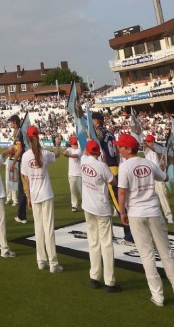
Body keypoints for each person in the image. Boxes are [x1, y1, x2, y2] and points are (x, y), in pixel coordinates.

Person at [117, 133, 174, 307]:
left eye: (121, 146)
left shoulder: (125, 166)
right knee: (166, 253)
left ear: (128, 149)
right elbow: (164, 177)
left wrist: (122, 212)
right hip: (154, 211)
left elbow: (121, 191)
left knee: (147, 254)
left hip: (136, 213)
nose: (119, 149)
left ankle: (158, 296)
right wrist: (164, 166)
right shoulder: (148, 163)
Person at [21, 125, 62, 273]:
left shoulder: (25, 156)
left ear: (28, 138)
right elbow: (57, 155)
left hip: (36, 196)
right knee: (48, 229)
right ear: (38, 137)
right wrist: (57, 144)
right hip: (46, 194)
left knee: (38, 229)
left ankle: (41, 260)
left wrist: (28, 198)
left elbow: (26, 179)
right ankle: (53, 263)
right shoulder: (44, 153)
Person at [81, 140, 121, 293]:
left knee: (93, 242)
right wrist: (103, 160)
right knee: (106, 244)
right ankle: (109, 281)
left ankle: (94, 276)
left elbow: (85, 153)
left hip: (88, 207)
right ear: (98, 152)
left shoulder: (84, 160)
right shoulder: (101, 166)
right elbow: (114, 181)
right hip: (101, 208)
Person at [93, 111, 135, 245]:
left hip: (108, 168)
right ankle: (110, 233)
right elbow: (116, 151)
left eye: (92, 120)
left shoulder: (98, 133)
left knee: (118, 205)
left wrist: (104, 167)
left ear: (96, 121)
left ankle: (130, 236)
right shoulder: (110, 133)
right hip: (114, 166)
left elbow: (101, 152)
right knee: (109, 202)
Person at [142, 134, 173, 224]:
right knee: (151, 198)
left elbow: (155, 149)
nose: (146, 143)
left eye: (148, 141)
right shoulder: (146, 150)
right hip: (149, 177)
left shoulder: (157, 149)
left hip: (158, 176)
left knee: (163, 196)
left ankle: (169, 216)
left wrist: (150, 145)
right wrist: (146, 145)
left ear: (152, 142)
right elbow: (146, 148)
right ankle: (156, 215)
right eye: (146, 141)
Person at [7, 115, 28, 224]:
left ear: (15, 122)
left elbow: (19, 150)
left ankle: (22, 216)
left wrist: (13, 162)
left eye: (11, 122)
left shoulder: (17, 132)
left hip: (21, 161)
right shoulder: (22, 131)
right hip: (26, 160)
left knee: (21, 189)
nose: (10, 124)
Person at [63, 136, 83, 212]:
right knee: (73, 191)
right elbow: (65, 152)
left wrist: (68, 155)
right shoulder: (69, 149)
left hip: (79, 174)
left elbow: (75, 156)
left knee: (82, 191)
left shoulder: (80, 150)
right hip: (71, 174)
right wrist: (66, 153)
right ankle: (74, 205)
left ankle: (84, 204)